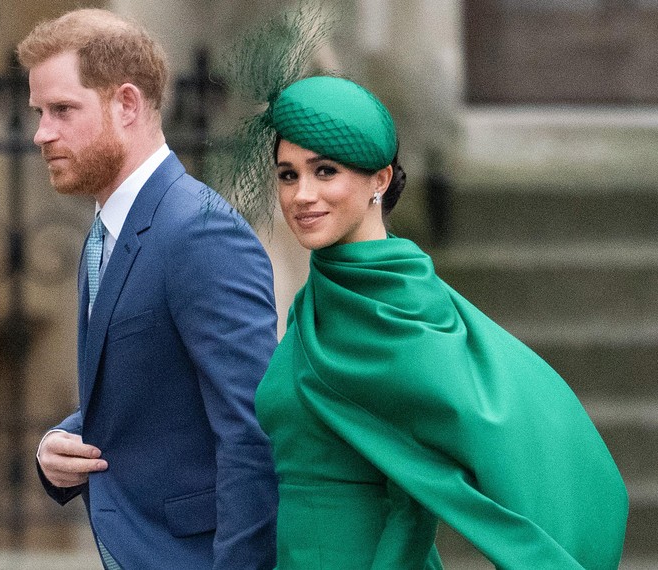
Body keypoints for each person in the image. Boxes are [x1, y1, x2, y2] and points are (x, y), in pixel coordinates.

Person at [250, 75, 629, 568]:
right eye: (287, 174)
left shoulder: (397, 305)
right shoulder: (319, 296)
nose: (302, 194)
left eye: (325, 171)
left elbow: (421, 491)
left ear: (379, 181)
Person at [17, 9, 278, 570]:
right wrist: (58, 448)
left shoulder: (199, 231)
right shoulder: (107, 229)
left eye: (63, 110)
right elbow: (152, 394)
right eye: (40, 112)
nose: (42, 133)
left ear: (127, 105)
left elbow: (254, 432)